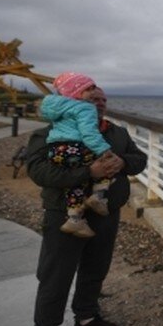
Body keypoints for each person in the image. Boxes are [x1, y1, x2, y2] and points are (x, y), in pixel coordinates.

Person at [28, 84, 147, 326]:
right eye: (94, 99)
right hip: (63, 214)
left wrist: (123, 162)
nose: (101, 103)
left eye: (104, 100)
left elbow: (140, 160)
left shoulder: (116, 132)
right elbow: (38, 170)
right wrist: (88, 172)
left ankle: (87, 318)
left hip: (106, 211)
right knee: (55, 274)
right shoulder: (49, 132)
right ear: (75, 100)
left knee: (96, 268)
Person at [40, 72, 117, 238]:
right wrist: (105, 150)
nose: (93, 96)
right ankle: (98, 196)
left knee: (74, 185)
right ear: (76, 91)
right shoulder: (85, 108)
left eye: (103, 100)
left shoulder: (58, 108)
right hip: (75, 148)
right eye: (89, 90)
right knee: (106, 163)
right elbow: (89, 134)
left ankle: (74, 220)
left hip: (57, 150)